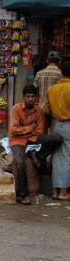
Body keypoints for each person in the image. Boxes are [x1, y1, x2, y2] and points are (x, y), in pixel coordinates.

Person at [9, 84, 59, 205]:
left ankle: (38, 155)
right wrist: (30, 127)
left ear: (36, 98)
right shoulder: (16, 109)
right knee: (20, 162)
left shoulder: (39, 111)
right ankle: (23, 194)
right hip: (17, 140)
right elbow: (14, 129)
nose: (30, 99)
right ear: (24, 97)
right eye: (28, 96)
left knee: (57, 139)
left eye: (32, 96)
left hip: (33, 138)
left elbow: (39, 131)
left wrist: (26, 130)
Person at [43, 58, 70, 200]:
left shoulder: (52, 89)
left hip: (57, 125)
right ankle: (63, 191)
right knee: (66, 158)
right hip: (68, 124)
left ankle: (55, 190)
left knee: (57, 157)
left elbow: (47, 110)